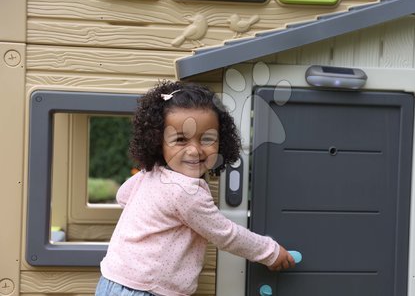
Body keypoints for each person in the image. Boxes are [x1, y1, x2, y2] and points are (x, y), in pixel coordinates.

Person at [96, 80, 295, 296]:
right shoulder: (185, 192)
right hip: (146, 290)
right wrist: (270, 251)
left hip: (112, 281)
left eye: (207, 139)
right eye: (181, 139)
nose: (195, 150)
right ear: (157, 141)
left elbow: (123, 195)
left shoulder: (150, 174)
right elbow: (226, 235)